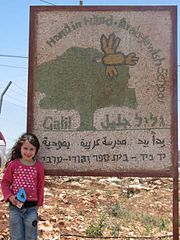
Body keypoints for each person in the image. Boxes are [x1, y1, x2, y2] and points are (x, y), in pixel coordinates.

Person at [1, 132, 44, 240]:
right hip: (15, 208)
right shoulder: (13, 165)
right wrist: (10, 196)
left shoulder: (38, 167)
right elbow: (5, 182)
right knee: (16, 237)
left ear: (36, 150)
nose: (28, 152)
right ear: (20, 148)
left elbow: (40, 186)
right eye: (25, 148)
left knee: (31, 236)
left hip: (31, 209)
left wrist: (38, 204)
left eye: (31, 149)